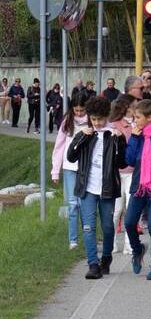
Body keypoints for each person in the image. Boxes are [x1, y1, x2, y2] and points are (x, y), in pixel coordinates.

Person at [67, 96, 127, 279]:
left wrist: (120, 142)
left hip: (107, 188)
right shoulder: (84, 134)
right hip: (87, 188)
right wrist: (80, 138)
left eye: (101, 119)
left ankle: (106, 258)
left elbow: (122, 163)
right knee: (88, 227)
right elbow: (71, 157)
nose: (98, 123)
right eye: (94, 119)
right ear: (89, 118)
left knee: (108, 227)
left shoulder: (114, 135)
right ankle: (93, 264)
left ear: (107, 117)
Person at [124, 99, 151, 280]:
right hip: (139, 186)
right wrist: (134, 138)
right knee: (129, 222)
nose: (135, 121)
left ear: (150, 118)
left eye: (138, 117)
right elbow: (130, 160)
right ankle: (137, 249)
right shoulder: (138, 136)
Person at [51, 95, 88, 250]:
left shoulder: (93, 121)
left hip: (86, 168)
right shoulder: (67, 121)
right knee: (72, 205)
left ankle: (88, 238)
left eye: (82, 110)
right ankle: (73, 240)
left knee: (85, 205)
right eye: (76, 110)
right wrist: (55, 171)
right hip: (69, 168)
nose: (79, 113)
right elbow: (59, 146)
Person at [109, 95, 137, 254]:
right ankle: (112, 243)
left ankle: (129, 244)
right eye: (134, 105)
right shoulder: (114, 124)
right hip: (118, 172)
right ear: (126, 107)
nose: (136, 108)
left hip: (134, 171)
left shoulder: (139, 122)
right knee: (117, 210)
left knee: (131, 209)